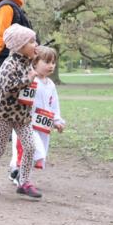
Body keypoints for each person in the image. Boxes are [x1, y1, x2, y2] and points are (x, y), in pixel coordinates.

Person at [0, 24, 42, 198]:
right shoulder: (9, 64)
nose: (35, 44)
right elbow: (6, 88)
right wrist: (26, 79)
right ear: (20, 46)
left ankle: (24, 181)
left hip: (22, 115)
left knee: (30, 147)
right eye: (31, 41)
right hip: (3, 115)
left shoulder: (29, 63)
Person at [8, 45, 66, 185]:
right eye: (46, 62)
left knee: (38, 152)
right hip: (26, 124)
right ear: (34, 62)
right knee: (33, 150)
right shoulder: (29, 80)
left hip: (43, 126)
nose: (51, 66)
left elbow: (53, 104)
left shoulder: (50, 84)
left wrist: (56, 120)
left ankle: (16, 171)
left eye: (53, 62)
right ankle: (20, 176)